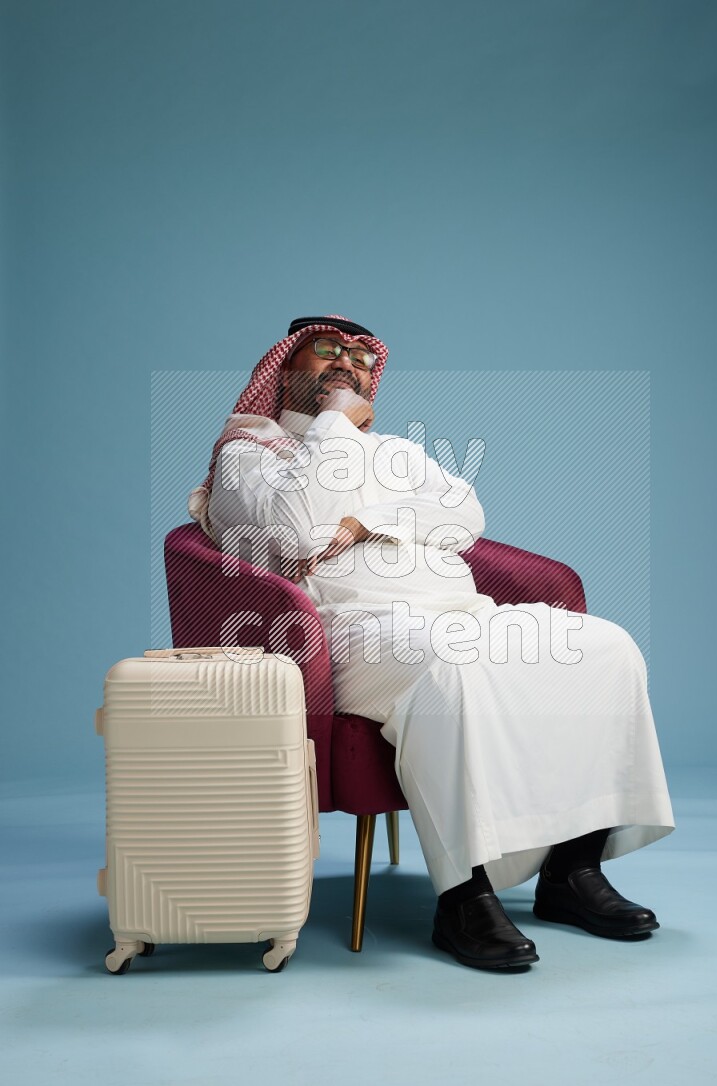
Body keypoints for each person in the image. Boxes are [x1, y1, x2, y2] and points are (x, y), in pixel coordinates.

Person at [189, 314, 674, 971]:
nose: (349, 365)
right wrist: (335, 425)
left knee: (604, 647)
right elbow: (299, 531)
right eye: (327, 352)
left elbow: (464, 513)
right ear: (281, 369)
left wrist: (366, 523)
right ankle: (464, 895)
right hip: (348, 633)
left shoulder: (395, 450)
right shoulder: (250, 455)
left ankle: (572, 871)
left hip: (455, 608)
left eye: (361, 358)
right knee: (451, 668)